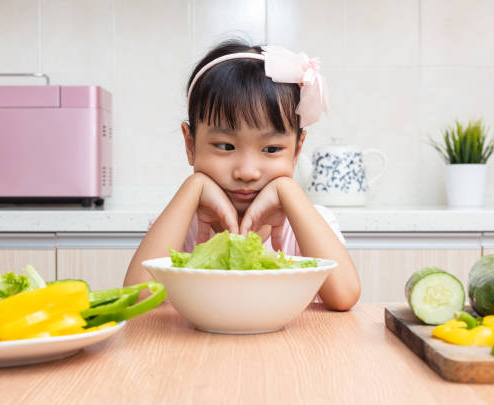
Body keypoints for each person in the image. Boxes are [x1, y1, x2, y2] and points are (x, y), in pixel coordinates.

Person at [124, 40, 360, 311]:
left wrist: (289, 191)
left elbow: (344, 297)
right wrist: (193, 186)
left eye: (271, 149)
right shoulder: (179, 224)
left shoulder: (309, 223)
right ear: (190, 145)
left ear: (297, 150)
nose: (247, 172)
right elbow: (138, 298)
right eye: (225, 146)